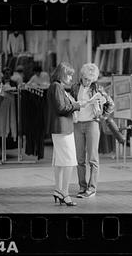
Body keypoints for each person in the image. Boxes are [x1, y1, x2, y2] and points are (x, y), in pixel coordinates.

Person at [47, 62, 98, 206]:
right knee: (70, 161)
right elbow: (61, 108)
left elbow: (60, 107)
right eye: (69, 74)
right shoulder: (57, 87)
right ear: (62, 74)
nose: (71, 78)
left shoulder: (57, 87)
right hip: (63, 128)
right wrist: (78, 105)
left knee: (60, 162)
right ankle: (64, 192)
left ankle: (59, 190)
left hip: (61, 128)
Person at [70, 63, 114, 198]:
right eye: (86, 79)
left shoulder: (98, 88)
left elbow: (110, 104)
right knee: (79, 159)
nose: (88, 82)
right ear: (82, 76)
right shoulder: (75, 88)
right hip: (77, 124)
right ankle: (82, 187)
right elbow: (70, 104)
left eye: (91, 79)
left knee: (93, 158)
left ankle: (92, 188)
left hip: (92, 124)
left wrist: (102, 117)